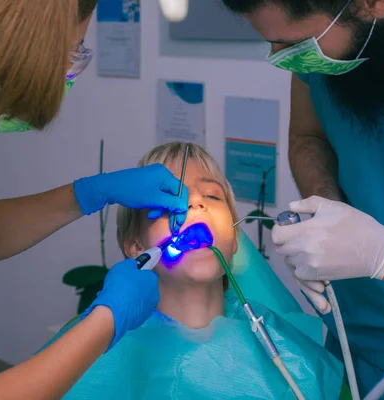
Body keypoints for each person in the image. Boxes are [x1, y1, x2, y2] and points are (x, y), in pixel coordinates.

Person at [0, 1, 189, 399]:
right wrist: (107, 319)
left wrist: (90, 193)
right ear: (23, 43)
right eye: (74, 51)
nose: (70, 72)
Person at [221, 0, 384, 397]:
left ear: (369, 3)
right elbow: (308, 138)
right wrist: (325, 213)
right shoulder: (328, 46)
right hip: (349, 351)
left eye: (295, 44)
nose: (283, 60)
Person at [43, 142, 346, 399]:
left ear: (235, 239)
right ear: (136, 246)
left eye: (212, 196)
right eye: (168, 201)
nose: (195, 204)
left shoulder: (293, 356)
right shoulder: (90, 349)